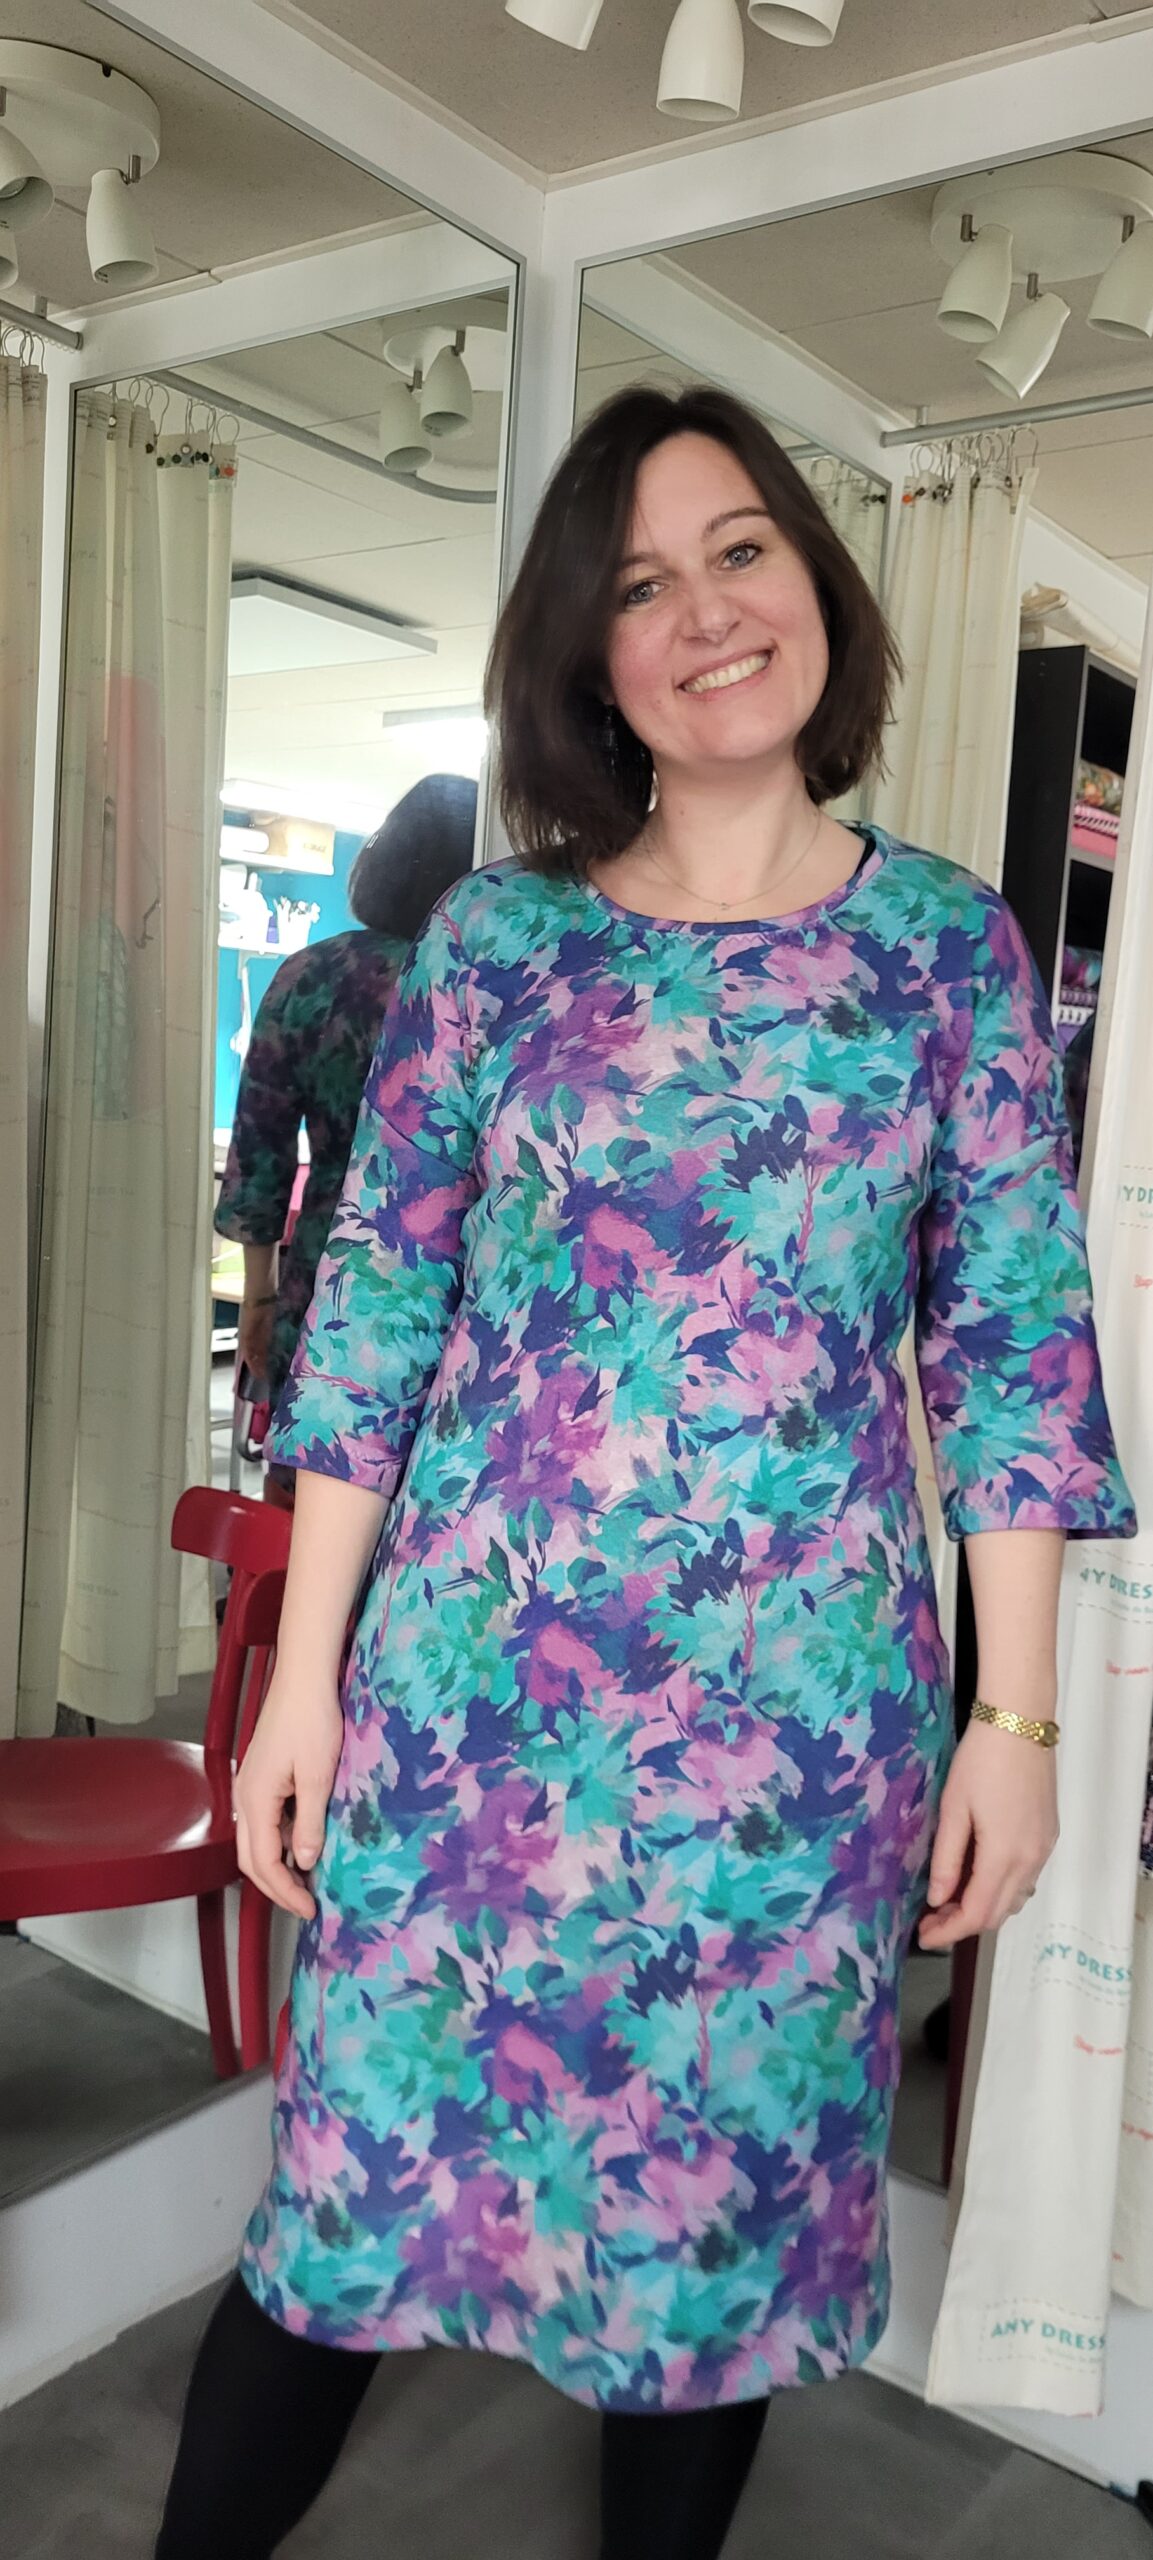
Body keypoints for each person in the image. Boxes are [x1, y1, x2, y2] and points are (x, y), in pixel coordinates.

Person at [157, 386, 1137, 2559]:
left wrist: (1016, 1724)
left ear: (816, 584)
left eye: (741, 550)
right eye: (638, 583)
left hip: (792, 1747)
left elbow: (1008, 1352)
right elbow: (375, 1319)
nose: (705, 611)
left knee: (713, 2269)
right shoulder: (497, 947)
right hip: (468, 1718)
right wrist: (302, 1683)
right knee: (336, 2221)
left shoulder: (944, 951)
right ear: (586, 663)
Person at [214, 774, 478, 1501]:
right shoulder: (480, 976)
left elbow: (258, 1157)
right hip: (453, 1275)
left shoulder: (310, 975)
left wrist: (259, 1302)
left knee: (306, 1501)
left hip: (325, 1272)